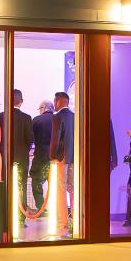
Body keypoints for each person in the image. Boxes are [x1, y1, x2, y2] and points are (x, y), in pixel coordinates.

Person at [52, 92, 76, 233]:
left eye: (55, 101)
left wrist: (53, 157)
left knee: (60, 191)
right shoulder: (75, 116)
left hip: (61, 159)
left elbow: (56, 139)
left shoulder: (57, 117)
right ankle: (75, 218)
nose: (54, 104)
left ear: (60, 101)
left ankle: (63, 222)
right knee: (73, 191)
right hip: (74, 158)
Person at [10, 89, 33, 224]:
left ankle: (7, 216)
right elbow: (29, 139)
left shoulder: (1, 116)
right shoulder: (27, 118)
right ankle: (20, 217)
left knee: (7, 186)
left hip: (6, 159)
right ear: (21, 101)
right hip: (22, 159)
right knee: (22, 187)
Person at [29, 100, 54, 215]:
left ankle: (41, 208)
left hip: (41, 156)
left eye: (40, 109)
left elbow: (31, 138)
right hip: (57, 157)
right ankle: (58, 209)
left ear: (43, 108)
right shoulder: (58, 119)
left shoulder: (37, 120)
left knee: (36, 180)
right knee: (56, 183)